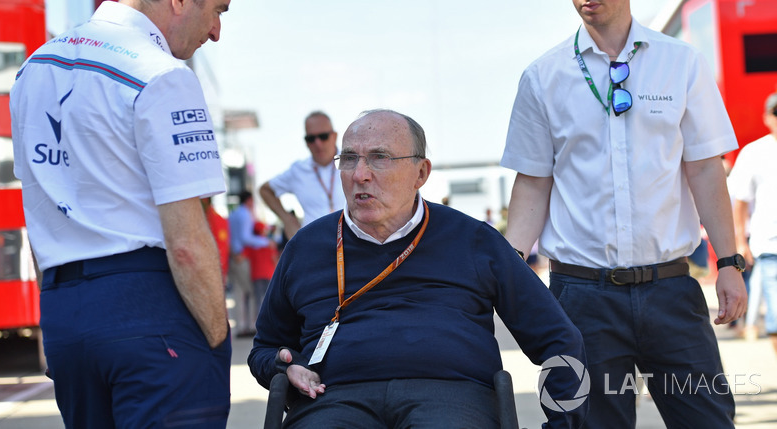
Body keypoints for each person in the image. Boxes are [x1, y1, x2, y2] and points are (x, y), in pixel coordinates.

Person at [500, 0, 746, 429]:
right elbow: (533, 183)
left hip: (671, 292)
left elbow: (705, 169)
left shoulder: (681, 64)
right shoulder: (543, 78)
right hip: (579, 299)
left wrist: (728, 261)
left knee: (709, 421)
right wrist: (510, 269)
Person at [9, 0, 244, 428]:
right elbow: (186, 240)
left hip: (65, 314)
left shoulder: (34, 69)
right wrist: (218, 337)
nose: (217, 31)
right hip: (149, 308)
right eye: (218, 10)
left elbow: (38, 208)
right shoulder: (162, 75)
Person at [249, 109, 588, 429]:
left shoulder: (473, 240)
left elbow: (560, 339)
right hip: (332, 399)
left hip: (451, 397)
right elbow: (264, 348)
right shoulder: (306, 248)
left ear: (421, 173)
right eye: (349, 159)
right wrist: (285, 365)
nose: (359, 174)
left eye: (379, 158)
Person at [729, 92, 777, 354]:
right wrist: (739, 241)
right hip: (770, 246)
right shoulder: (755, 152)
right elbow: (741, 201)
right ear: (767, 118)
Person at [259, 111, 345, 239]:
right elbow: (265, 190)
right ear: (305, 141)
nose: (317, 143)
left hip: (351, 245)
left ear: (335, 136)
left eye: (323, 136)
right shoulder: (298, 170)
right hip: (314, 246)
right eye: (310, 139)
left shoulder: (352, 163)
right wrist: (287, 219)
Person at [229, 190, 275, 337]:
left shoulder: (233, 214)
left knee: (239, 293)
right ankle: (246, 326)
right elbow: (245, 237)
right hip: (243, 256)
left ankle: (241, 326)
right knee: (248, 293)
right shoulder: (245, 214)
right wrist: (265, 242)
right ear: (249, 200)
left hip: (234, 256)